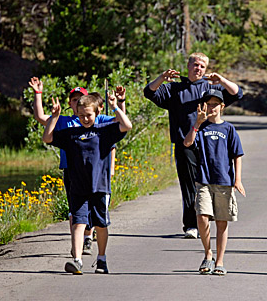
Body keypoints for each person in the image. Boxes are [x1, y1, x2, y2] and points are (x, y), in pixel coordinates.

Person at [144, 52, 243, 239]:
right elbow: (149, 92)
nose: (198, 68)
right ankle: (191, 225)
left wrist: (220, 79)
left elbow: (237, 93)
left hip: (210, 143)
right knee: (189, 185)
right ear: (188, 66)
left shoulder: (211, 88)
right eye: (195, 65)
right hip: (184, 143)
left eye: (202, 66)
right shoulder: (174, 88)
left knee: (212, 182)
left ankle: (209, 217)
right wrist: (161, 78)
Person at [28, 78, 126, 254]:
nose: (77, 102)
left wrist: (119, 103)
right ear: (70, 103)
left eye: (80, 98)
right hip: (72, 170)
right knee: (76, 210)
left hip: (96, 172)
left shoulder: (97, 118)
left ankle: (88, 237)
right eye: (74, 100)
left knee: (94, 210)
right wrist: (38, 94)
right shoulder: (65, 122)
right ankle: (78, 247)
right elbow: (41, 118)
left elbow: (121, 124)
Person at [43, 92, 132, 274]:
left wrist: (115, 106)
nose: (84, 118)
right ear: (76, 112)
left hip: (100, 186)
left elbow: (127, 125)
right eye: (81, 115)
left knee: (100, 224)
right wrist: (54, 118)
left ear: (97, 112)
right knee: (78, 222)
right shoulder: (71, 133)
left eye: (88, 115)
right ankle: (77, 260)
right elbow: (47, 138)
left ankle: (101, 259)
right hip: (78, 187)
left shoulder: (105, 131)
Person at [183, 89, 245, 276]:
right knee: (202, 216)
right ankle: (208, 254)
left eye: (215, 104)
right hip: (203, 180)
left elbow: (237, 155)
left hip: (224, 181)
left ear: (222, 107)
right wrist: (197, 122)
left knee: (221, 222)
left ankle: (220, 261)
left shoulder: (229, 129)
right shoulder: (200, 127)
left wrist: (238, 179)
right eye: (208, 104)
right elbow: (187, 143)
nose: (211, 108)